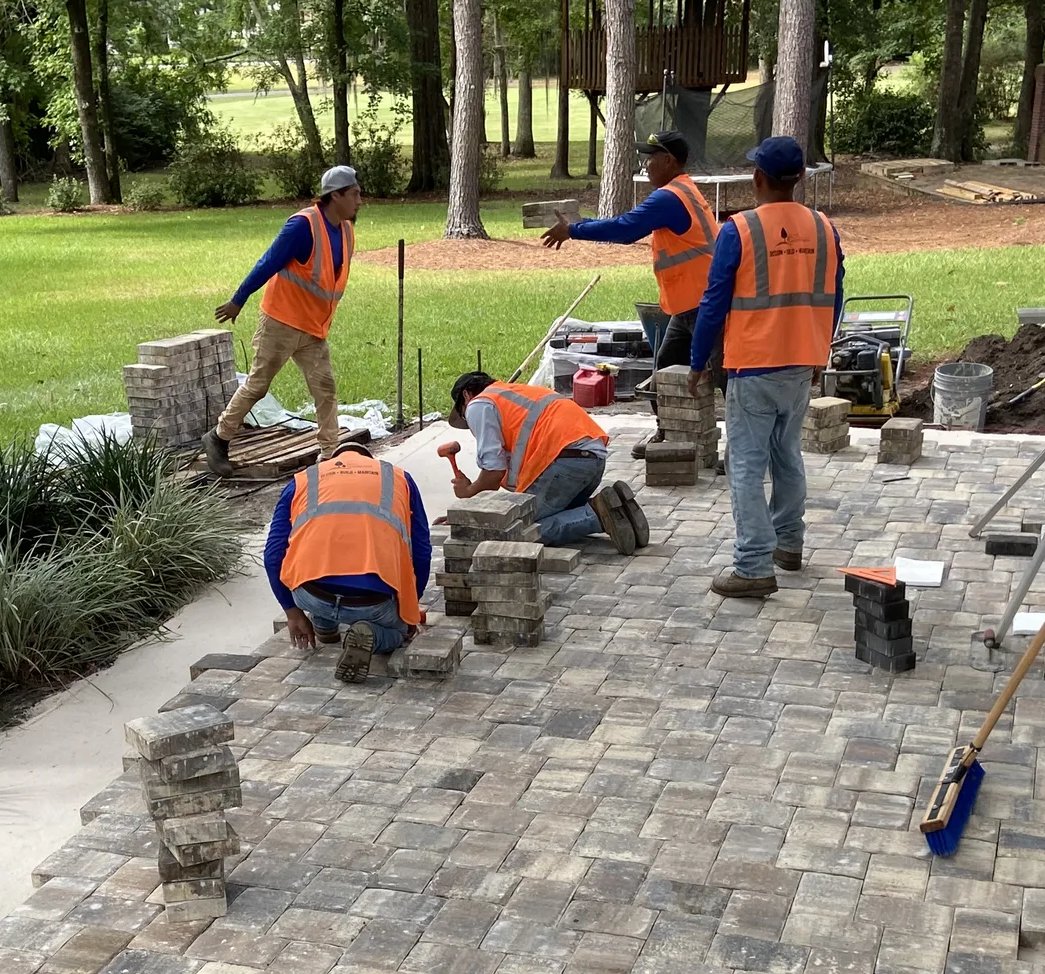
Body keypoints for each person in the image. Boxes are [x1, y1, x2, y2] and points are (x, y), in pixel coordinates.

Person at [686, 136, 844, 599]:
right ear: (799, 178)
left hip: (754, 365)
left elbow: (713, 303)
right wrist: (819, 351)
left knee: (745, 466)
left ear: (757, 178)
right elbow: (833, 295)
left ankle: (753, 565)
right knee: (787, 454)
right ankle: (788, 544)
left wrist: (697, 363)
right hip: (801, 364)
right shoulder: (824, 228)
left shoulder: (740, 229)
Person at [540, 131, 720, 454]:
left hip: (705, 304)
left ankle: (744, 450)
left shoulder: (669, 198)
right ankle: (669, 434)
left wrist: (573, 230)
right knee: (665, 369)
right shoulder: (683, 191)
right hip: (689, 304)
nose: (646, 165)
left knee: (726, 377)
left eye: (651, 158)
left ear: (669, 161)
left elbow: (625, 229)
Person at [206, 165, 362, 476]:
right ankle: (219, 437)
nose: (360, 201)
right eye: (355, 194)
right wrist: (238, 299)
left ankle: (329, 455)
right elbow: (268, 262)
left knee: (325, 389)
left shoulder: (345, 230)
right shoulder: (302, 226)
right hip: (281, 321)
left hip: (313, 328)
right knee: (258, 386)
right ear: (336, 195)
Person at [267, 442, 432, 684]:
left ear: (330, 462)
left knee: (320, 574)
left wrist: (292, 613)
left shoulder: (302, 480)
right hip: (372, 602)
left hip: (310, 594)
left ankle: (324, 625)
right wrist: (409, 612)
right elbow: (422, 552)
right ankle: (372, 635)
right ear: (371, 460)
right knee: (399, 632)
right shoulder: (399, 478)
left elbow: (273, 555)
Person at [446, 371, 651, 553]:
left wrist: (470, 494)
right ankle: (618, 508)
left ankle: (597, 515)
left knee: (513, 529)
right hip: (592, 460)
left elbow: (494, 471)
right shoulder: (514, 395)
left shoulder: (478, 404)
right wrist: (464, 517)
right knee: (556, 516)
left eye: (464, 417)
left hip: (564, 464)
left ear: (466, 395)